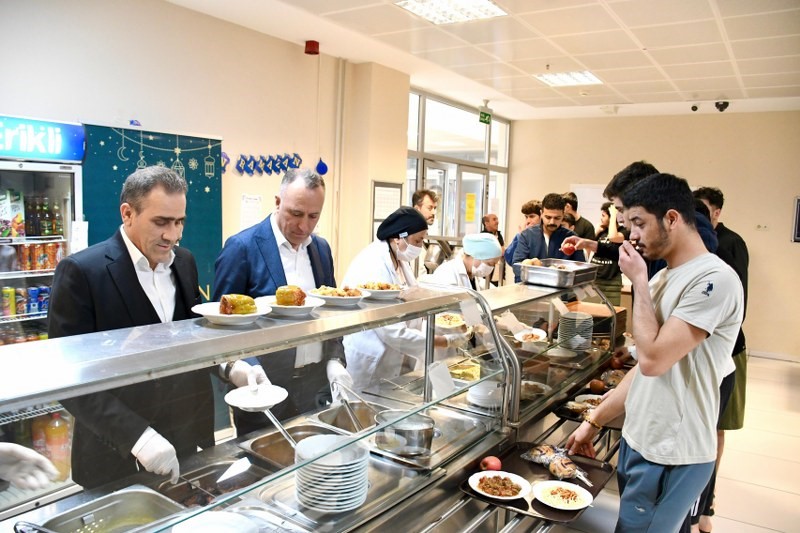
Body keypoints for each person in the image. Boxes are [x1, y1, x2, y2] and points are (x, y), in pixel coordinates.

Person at [566, 173, 744, 533]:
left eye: (639, 223)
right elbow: (640, 374)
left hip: (673, 451)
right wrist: (593, 421)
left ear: (672, 219)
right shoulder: (665, 277)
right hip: (641, 439)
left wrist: (639, 282)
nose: (632, 235)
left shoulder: (714, 280)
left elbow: (653, 361)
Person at [48, 167, 216, 489]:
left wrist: (230, 364)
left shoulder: (185, 262)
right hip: (114, 454)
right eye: (161, 222)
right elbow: (69, 377)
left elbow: (193, 334)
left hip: (183, 437)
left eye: (179, 222)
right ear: (128, 213)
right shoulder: (82, 272)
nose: (173, 235)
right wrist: (139, 438)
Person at [213, 168, 348, 434]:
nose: (304, 226)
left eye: (313, 216)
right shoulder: (242, 248)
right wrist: (247, 371)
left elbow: (329, 311)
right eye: (296, 214)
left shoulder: (321, 249)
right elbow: (222, 327)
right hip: (263, 388)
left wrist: (336, 359)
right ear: (277, 202)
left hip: (315, 386)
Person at [342, 207, 465, 391]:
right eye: (417, 240)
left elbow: (412, 297)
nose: (419, 247)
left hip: (392, 354)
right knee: (364, 404)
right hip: (371, 356)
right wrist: (441, 341)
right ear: (398, 237)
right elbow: (391, 330)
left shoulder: (398, 258)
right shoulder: (374, 263)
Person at [691, 186, 750, 533]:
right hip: (700, 354)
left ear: (717, 212)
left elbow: (736, 308)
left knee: (716, 428)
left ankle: (706, 504)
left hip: (727, 352)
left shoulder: (729, 245)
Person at [511, 193, 586, 282]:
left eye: (557, 218)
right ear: (541, 214)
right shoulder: (527, 235)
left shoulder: (571, 238)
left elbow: (581, 269)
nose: (552, 222)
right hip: (532, 286)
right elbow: (517, 266)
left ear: (563, 215)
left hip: (562, 287)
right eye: (548, 217)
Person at [424, 233, 502, 290]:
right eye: (490, 264)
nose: (491, 268)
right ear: (475, 255)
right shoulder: (447, 273)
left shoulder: (473, 276)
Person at [590, 202, 627, 305]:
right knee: (593, 310)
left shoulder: (623, 231)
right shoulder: (602, 231)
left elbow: (613, 237)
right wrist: (596, 232)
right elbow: (589, 245)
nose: (601, 218)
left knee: (612, 310)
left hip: (612, 281)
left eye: (603, 215)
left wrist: (614, 215)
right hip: (596, 279)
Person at [503, 200, 541, 266]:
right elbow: (510, 260)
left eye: (532, 216)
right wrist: (521, 237)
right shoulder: (522, 234)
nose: (528, 221)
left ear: (541, 216)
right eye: (526, 217)